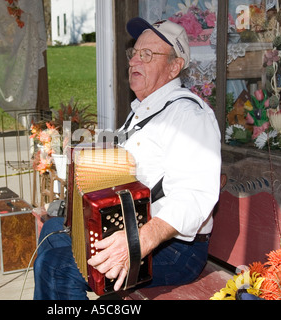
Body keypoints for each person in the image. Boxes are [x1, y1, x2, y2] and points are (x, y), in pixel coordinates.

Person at [33, 17, 222, 300]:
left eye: (147, 55)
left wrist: (137, 242)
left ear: (174, 66)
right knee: (50, 229)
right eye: (134, 53)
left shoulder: (189, 116)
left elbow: (194, 196)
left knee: (58, 268)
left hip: (174, 249)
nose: (134, 62)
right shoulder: (143, 111)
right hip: (127, 226)